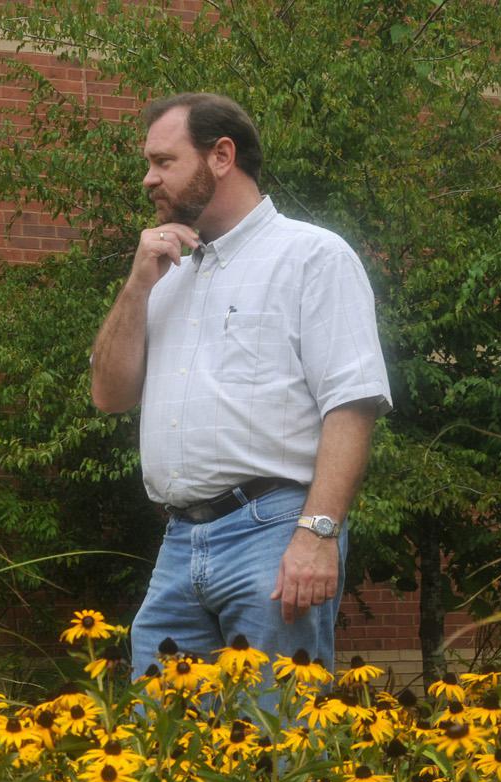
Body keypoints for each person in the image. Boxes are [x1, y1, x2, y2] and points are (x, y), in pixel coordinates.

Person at [90, 93, 391, 681]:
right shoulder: (166, 272)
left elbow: (351, 405)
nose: (149, 178)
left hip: (274, 532)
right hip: (180, 541)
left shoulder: (311, 257)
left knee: (279, 742)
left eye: (163, 161)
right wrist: (136, 286)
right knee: (162, 748)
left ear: (221, 155)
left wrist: (318, 533)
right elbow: (109, 395)